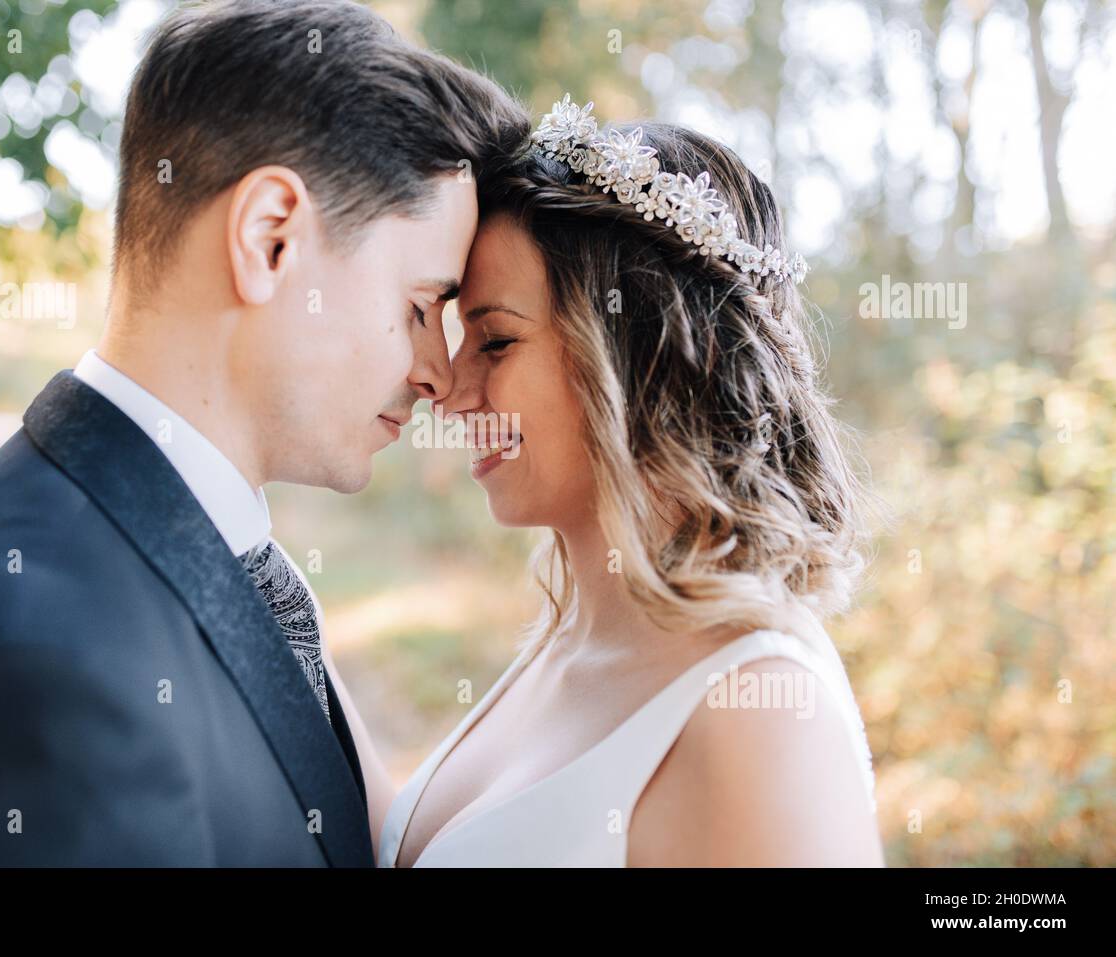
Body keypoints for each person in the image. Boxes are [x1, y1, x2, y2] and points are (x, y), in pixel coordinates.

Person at [0, 0, 527, 866]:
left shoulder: (210, 549)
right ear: (270, 240)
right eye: (420, 307)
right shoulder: (27, 662)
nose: (437, 373)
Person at [378, 98, 884, 866]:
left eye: (497, 340)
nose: (446, 388)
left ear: (646, 355)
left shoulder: (759, 715)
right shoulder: (571, 635)